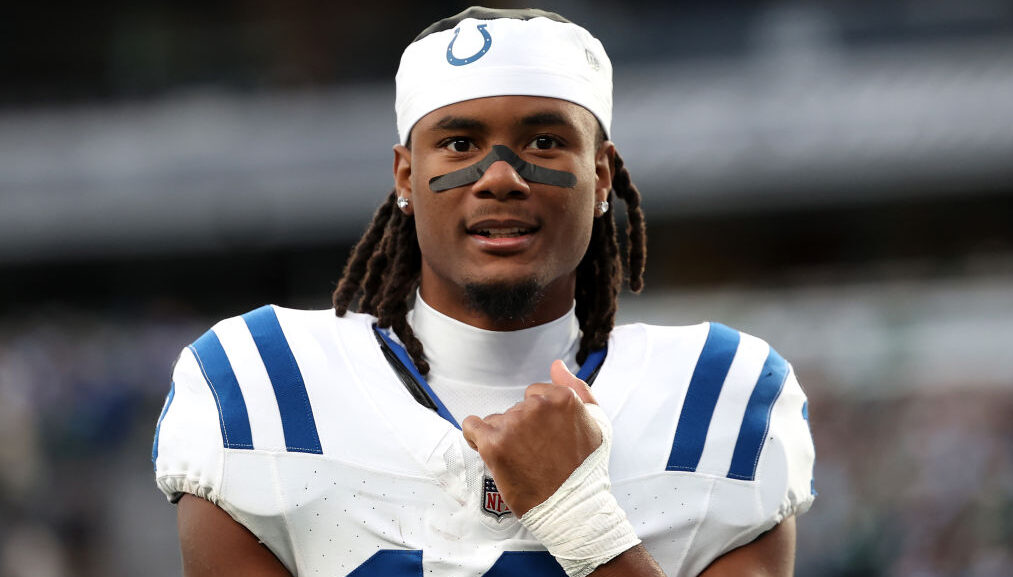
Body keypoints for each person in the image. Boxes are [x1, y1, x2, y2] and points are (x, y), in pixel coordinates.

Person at [152, 6, 816, 577]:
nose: (500, 177)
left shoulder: (721, 395)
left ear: (602, 175)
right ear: (405, 177)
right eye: (460, 142)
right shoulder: (259, 383)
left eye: (545, 141)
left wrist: (584, 523)